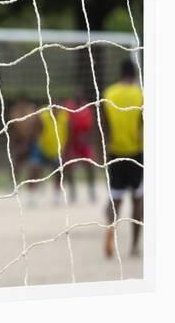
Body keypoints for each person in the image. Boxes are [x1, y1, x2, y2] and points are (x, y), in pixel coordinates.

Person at [103, 59, 143, 258]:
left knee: (115, 199)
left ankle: (110, 233)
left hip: (114, 153)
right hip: (137, 153)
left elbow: (104, 125)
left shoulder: (109, 94)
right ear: (135, 74)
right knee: (138, 200)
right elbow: (143, 124)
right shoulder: (141, 94)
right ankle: (135, 246)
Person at [27, 106, 70, 206]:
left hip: (56, 150)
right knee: (34, 168)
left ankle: (56, 194)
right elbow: (34, 132)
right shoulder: (42, 117)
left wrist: (66, 149)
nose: (55, 110)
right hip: (41, 148)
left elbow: (69, 134)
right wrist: (30, 145)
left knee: (60, 170)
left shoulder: (65, 117)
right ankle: (31, 195)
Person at [63, 87, 97, 203]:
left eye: (80, 93)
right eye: (76, 93)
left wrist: (87, 138)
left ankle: (92, 191)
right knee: (69, 167)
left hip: (84, 142)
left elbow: (91, 127)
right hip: (71, 142)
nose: (77, 95)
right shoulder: (68, 106)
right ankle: (72, 192)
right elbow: (65, 124)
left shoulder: (87, 108)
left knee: (90, 166)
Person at [8, 93, 40, 182]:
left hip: (32, 141)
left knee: (35, 163)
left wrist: (29, 142)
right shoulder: (14, 111)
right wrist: (14, 145)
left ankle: (34, 186)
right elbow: (12, 129)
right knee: (16, 163)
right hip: (19, 141)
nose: (20, 104)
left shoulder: (32, 110)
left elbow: (37, 127)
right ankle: (13, 184)